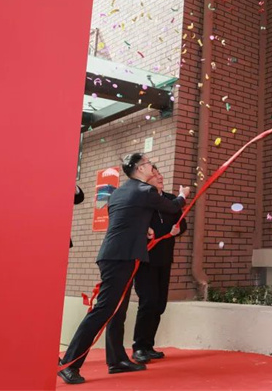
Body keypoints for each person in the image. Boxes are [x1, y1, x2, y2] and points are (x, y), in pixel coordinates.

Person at [58, 153, 190, 385]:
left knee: (116, 310)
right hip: (121, 258)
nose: (152, 167)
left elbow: (124, 220)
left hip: (115, 255)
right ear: (139, 169)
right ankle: (70, 364)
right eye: (148, 164)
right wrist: (182, 195)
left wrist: (143, 231)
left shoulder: (119, 192)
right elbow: (171, 207)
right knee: (103, 310)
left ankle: (117, 360)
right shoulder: (145, 191)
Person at [132, 165, 188, 363]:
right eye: (155, 174)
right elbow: (136, 225)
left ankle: (148, 345)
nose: (160, 177)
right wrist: (153, 230)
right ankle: (139, 346)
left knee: (159, 303)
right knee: (147, 301)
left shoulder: (171, 200)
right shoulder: (143, 200)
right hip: (145, 259)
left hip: (165, 258)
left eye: (160, 174)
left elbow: (182, 223)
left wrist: (177, 230)